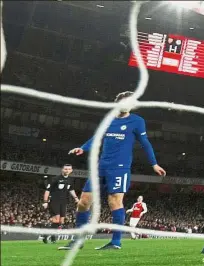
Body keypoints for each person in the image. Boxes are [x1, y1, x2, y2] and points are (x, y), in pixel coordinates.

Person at [60, 91, 166, 250]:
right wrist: (83, 148)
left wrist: (154, 164)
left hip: (120, 168)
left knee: (114, 202)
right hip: (101, 167)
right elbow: (97, 137)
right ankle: (78, 240)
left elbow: (145, 143)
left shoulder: (137, 121)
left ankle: (116, 242)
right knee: (83, 203)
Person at [42, 164, 79, 244]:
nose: (67, 170)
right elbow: (47, 190)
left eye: (69, 169)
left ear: (71, 170)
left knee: (61, 222)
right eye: (65, 169)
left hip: (64, 202)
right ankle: (50, 236)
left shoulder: (70, 180)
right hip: (54, 201)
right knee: (56, 220)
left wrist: (76, 198)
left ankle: (48, 235)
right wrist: (45, 202)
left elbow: (71, 189)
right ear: (62, 170)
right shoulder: (55, 179)